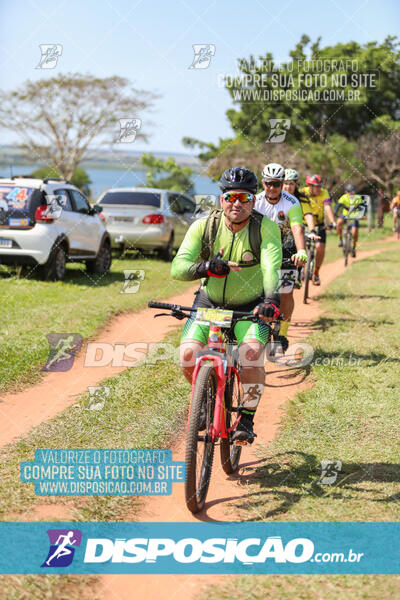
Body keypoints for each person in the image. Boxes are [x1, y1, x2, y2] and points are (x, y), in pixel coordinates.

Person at [171, 167, 282, 443]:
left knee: (252, 354)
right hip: (210, 303)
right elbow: (178, 267)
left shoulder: (264, 227)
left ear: (253, 201)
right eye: (231, 197)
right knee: (187, 355)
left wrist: (271, 300)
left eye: (244, 198)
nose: (237, 203)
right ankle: (205, 399)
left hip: (251, 307)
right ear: (221, 199)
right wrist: (205, 267)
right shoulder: (204, 226)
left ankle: (246, 417)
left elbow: (271, 266)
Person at [255, 164, 309, 351]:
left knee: (286, 291)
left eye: (276, 184)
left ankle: (282, 333)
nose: (272, 188)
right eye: (268, 183)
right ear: (263, 182)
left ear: (282, 183)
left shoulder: (292, 202)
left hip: (287, 249)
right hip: (262, 248)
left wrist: (301, 251)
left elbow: (297, 228)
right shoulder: (255, 201)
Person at [299, 174, 336, 285]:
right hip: (303, 224)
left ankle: (316, 273)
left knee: (320, 248)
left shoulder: (324, 193)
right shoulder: (302, 192)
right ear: (309, 186)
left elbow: (327, 206)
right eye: (316, 186)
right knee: (300, 247)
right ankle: (299, 270)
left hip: (319, 225)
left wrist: (332, 221)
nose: (319, 188)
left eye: (320, 186)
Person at [335, 184, 366, 257]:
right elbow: (338, 205)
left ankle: (354, 248)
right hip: (345, 215)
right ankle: (340, 240)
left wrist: (363, 214)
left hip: (354, 216)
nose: (351, 193)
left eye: (352, 192)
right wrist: (335, 212)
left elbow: (363, 206)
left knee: (355, 233)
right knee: (338, 223)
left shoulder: (358, 198)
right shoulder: (344, 198)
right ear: (346, 192)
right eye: (349, 192)